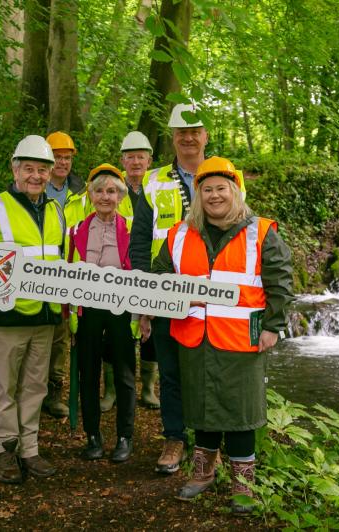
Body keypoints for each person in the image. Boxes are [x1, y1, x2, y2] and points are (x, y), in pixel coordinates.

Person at [147, 157, 292, 513]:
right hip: (194, 337)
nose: (214, 196)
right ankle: (202, 473)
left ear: (235, 192)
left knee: (241, 411)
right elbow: (160, 277)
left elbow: (281, 281)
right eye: (207, 189)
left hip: (243, 338)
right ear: (198, 196)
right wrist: (179, 294)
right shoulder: (179, 233)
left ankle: (244, 485)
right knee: (200, 406)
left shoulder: (261, 231)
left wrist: (273, 326)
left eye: (221, 189)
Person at [0, 135, 63, 483]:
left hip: (46, 315)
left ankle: (30, 449)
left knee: (35, 386)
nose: (36, 176)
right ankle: (4, 448)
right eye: (29, 169)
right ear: (15, 169)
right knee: (4, 385)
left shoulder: (56, 210)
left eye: (42, 170)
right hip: (4, 316)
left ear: (50, 173)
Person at [129, 102, 211, 474]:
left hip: (211, 292)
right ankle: (174, 438)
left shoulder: (226, 175)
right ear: (173, 137)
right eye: (182, 133)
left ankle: (209, 444)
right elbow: (140, 239)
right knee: (172, 370)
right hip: (164, 290)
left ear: (205, 135)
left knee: (211, 368)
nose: (189, 138)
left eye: (195, 131)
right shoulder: (152, 180)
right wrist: (144, 299)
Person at [67, 164, 136, 462]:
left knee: (123, 374)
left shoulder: (132, 229)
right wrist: (67, 317)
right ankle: (93, 436)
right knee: (88, 374)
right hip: (87, 310)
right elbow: (66, 275)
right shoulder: (76, 230)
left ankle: (124, 437)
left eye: (111, 191)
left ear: (120, 196)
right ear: (91, 195)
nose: (105, 196)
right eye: (99, 191)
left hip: (121, 310)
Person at [42, 131, 84, 419]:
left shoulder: (81, 191)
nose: (62, 162)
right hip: (37, 270)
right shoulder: (32, 186)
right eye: (57, 157)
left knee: (59, 336)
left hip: (68, 273)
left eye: (67, 158)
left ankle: (54, 390)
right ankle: (31, 389)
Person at [119, 131, 160, 410]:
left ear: (149, 160)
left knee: (152, 331)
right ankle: (116, 388)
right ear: (123, 160)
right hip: (119, 270)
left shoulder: (158, 187)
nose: (135, 162)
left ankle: (148, 388)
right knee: (120, 329)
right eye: (130, 157)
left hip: (150, 267)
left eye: (140, 157)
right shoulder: (113, 187)